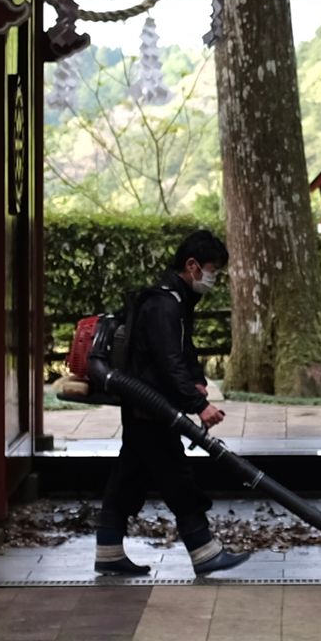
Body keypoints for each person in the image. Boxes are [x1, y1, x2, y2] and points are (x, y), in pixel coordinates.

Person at [94, 229, 250, 578]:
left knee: (128, 478)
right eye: (212, 269)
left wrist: (196, 381)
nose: (214, 277)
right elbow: (168, 361)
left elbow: (182, 353)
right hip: (150, 408)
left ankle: (108, 550)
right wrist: (198, 404)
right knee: (177, 478)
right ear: (192, 265)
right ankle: (204, 550)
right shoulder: (164, 304)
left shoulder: (174, 301)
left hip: (146, 407)